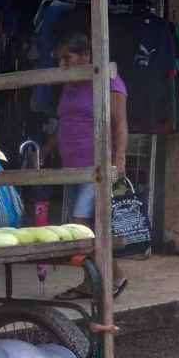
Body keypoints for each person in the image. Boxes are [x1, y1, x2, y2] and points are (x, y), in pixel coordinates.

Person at [45, 33, 128, 300]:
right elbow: (66, 123)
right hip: (72, 166)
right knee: (81, 224)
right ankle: (91, 280)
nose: (62, 65)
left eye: (67, 57)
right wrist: (45, 149)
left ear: (86, 57)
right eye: (59, 59)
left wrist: (119, 159)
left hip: (98, 166)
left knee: (83, 223)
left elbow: (120, 124)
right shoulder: (69, 86)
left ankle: (113, 275)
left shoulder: (109, 81)